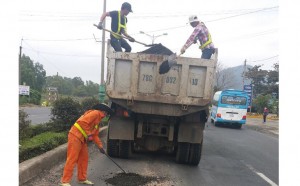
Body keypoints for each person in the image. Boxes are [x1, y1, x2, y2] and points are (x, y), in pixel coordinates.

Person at [60, 103, 114, 186]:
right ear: (103, 111)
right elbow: (82, 122)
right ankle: (65, 181)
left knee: (84, 159)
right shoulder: (95, 113)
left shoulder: (98, 121)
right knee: (72, 158)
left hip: (82, 139)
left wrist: (100, 147)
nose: (106, 115)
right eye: (106, 113)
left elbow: (95, 135)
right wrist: (89, 134)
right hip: (75, 136)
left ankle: (82, 179)